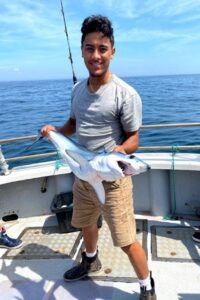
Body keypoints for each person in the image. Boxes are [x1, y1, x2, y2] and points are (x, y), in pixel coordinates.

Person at [41, 15, 156, 300]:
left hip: (112, 180)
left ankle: (146, 285)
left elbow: (134, 138)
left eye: (102, 48)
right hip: (83, 175)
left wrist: (123, 150)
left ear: (112, 52)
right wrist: (55, 131)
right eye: (90, 48)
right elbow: (72, 125)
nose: (96, 55)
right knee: (85, 222)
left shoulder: (125, 94)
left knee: (126, 240)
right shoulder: (77, 90)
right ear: (81, 51)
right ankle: (90, 259)